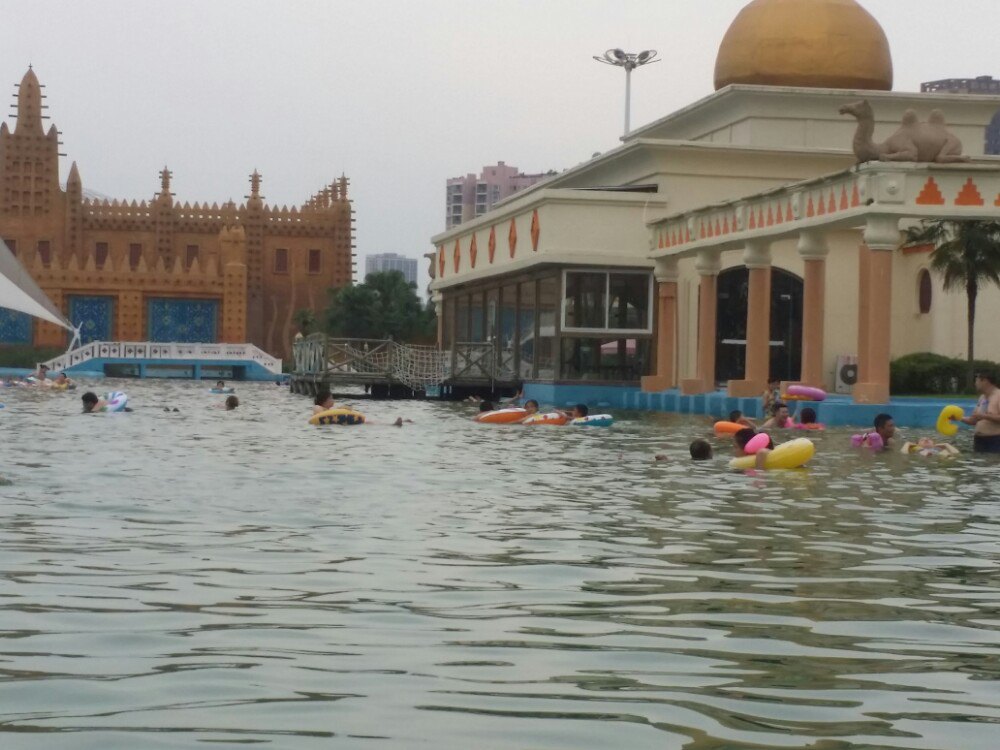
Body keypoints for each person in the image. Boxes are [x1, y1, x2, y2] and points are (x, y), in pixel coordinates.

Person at [963, 370, 1000, 453]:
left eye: (977, 380)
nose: (975, 383)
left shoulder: (998, 396)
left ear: (985, 381)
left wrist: (984, 416)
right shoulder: (982, 397)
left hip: (995, 440)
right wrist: (958, 417)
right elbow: (973, 420)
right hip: (979, 441)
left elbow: (982, 416)